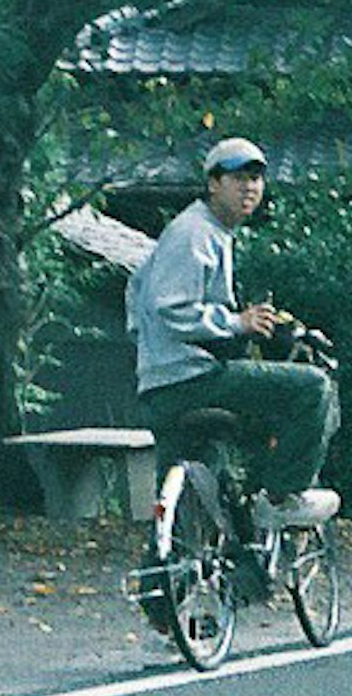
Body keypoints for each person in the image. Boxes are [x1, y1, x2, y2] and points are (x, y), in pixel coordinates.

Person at [129, 136, 340, 527]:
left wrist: (254, 324)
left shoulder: (202, 232)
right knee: (313, 388)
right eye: (238, 177)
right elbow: (171, 306)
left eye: (257, 179)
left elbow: (140, 300)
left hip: (161, 383)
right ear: (213, 183)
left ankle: (169, 578)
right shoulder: (195, 232)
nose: (250, 187)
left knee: (191, 518)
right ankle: (280, 498)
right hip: (190, 378)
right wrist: (236, 323)